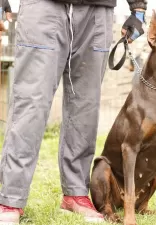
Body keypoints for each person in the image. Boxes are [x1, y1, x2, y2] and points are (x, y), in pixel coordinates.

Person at [0, 0, 147, 224]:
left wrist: (138, 8)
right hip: (43, 8)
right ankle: (10, 198)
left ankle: (75, 193)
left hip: (98, 11)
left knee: (86, 107)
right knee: (30, 104)